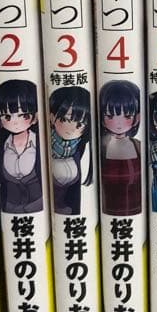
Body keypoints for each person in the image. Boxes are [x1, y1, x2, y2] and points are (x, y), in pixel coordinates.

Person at [0, 79, 42, 214]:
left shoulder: (39, 143)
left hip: (38, 206)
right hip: (10, 208)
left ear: (35, 117)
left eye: (23, 115)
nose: (15, 123)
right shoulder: (2, 144)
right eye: (7, 117)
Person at [99, 80, 142, 215]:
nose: (118, 124)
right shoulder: (101, 148)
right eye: (110, 116)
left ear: (137, 118)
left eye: (127, 116)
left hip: (136, 211)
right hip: (107, 212)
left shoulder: (139, 146)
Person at [48, 86, 91, 216]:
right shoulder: (45, 142)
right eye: (65, 120)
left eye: (79, 124)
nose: (71, 129)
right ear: (52, 117)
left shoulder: (84, 147)